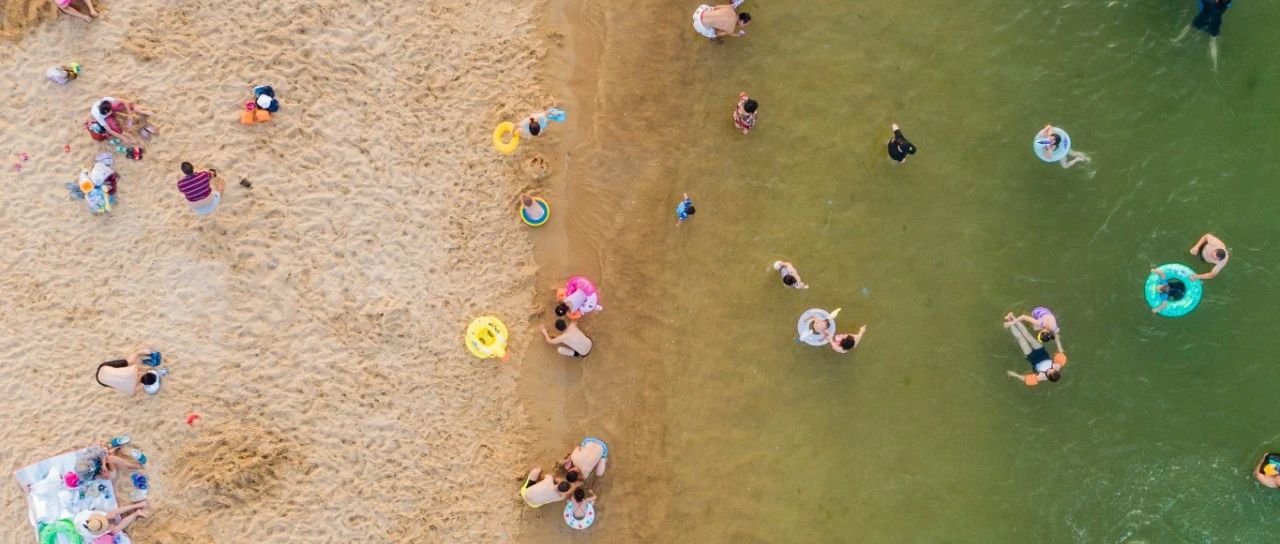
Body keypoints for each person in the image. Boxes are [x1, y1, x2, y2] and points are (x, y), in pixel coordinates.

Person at [1003, 315, 1064, 386]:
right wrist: (1058, 341)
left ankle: (1009, 321)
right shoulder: (1057, 366)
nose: (1050, 370)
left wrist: (1015, 375)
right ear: (1057, 371)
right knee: (1027, 335)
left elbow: (1025, 379)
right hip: (1041, 351)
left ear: (1048, 376)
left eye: (1049, 372)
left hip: (1031, 357)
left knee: (1020, 338)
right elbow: (1061, 352)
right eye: (1053, 371)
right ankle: (1013, 318)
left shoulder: (1041, 377)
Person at [95, 349, 166, 396]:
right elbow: (143, 385)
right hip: (101, 378)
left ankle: (142, 352)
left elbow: (143, 382)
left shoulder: (134, 370)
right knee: (115, 382)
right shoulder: (132, 390)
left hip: (104, 370)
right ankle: (142, 354)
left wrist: (139, 354)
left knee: (129, 362)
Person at [74, 501, 149, 540]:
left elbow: (105, 515)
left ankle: (137, 505)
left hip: (88, 518)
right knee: (114, 530)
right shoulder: (93, 534)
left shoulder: (94, 515)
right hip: (91, 529)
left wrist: (109, 516)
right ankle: (136, 513)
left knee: (113, 513)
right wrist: (109, 527)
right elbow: (106, 530)